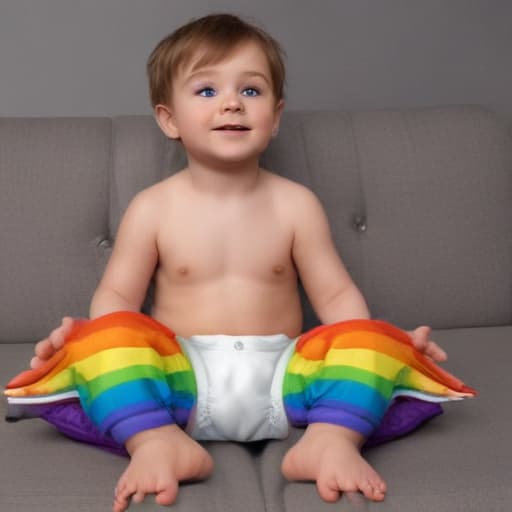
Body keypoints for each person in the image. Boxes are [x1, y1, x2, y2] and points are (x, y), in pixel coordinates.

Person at [8, 13, 473, 512]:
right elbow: (118, 296)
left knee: (376, 337)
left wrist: (377, 352)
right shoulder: (153, 207)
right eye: (206, 91)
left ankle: (331, 440)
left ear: (274, 117)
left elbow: (337, 297)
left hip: (285, 378)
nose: (231, 102)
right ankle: (155, 442)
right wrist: (92, 344)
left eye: (250, 91)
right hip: (179, 382)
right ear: (169, 119)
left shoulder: (295, 204)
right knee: (102, 337)